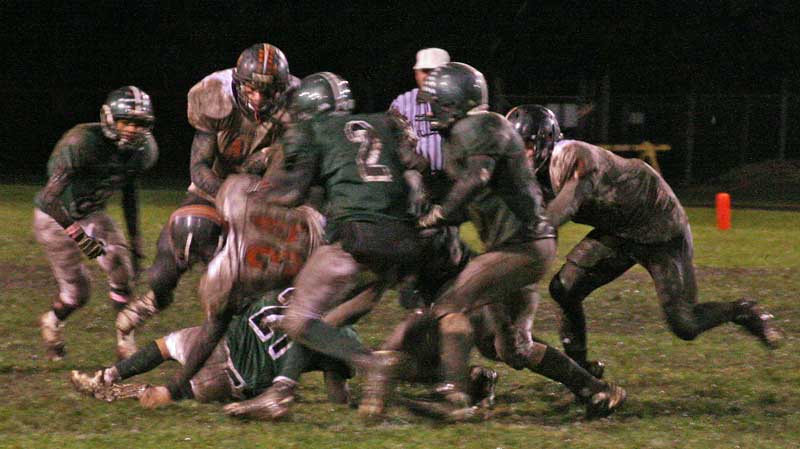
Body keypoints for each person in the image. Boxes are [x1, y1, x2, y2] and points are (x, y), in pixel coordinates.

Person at [411, 63, 625, 420]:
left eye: (436, 100)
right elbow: (478, 196)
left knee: (451, 305)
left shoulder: (481, 125)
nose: (431, 109)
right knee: (512, 348)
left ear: (454, 100)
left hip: (520, 247)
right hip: (521, 246)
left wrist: (439, 214)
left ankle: (454, 396)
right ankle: (596, 390)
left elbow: (476, 179)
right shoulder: (470, 132)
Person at [505, 104, 783, 375]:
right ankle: (582, 373)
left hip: (660, 227)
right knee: (564, 290)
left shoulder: (572, 156)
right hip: (618, 231)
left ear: (545, 141)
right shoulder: (534, 176)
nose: (521, 155)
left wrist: (517, 247)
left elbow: (563, 208)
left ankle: (742, 311)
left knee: (685, 323)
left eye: (526, 145)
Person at [252, 72, 432, 420]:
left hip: (357, 237)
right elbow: (417, 166)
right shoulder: (383, 121)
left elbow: (294, 193)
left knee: (298, 318)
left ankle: (372, 364)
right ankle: (282, 393)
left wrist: (256, 197)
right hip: (403, 240)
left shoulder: (312, 129)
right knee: (325, 318)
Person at [115, 43, 299, 359]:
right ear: (238, 82)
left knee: (257, 273)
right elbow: (199, 168)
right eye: (251, 88)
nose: (258, 98)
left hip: (263, 195)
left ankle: (243, 340)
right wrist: (230, 199)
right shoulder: (216, 95)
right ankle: (152, 302)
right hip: (214, 185)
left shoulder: (297, 105)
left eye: (268, 91)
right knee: (181, 243)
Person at [71, 287, 354, 420]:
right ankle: (131, 391)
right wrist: (346, 401)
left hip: (217, 343)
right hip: (232, 382)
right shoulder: (340, 334)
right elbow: (337, 395)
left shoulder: (285, 287)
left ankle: (107, 376)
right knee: (169, 393)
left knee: (166, 345)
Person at [35, 86, 158, 361]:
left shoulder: (144, 151)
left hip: (91, 213)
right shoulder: (81, 142)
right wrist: (80, 237)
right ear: (109, 118)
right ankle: (52, 321)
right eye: (126, 121)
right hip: (54, 218)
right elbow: (48, 199)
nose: (132, 130)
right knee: (77, 294)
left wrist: (135, 240)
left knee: (121, 268)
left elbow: (129, 190)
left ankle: (125, 342)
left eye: (140, 124)